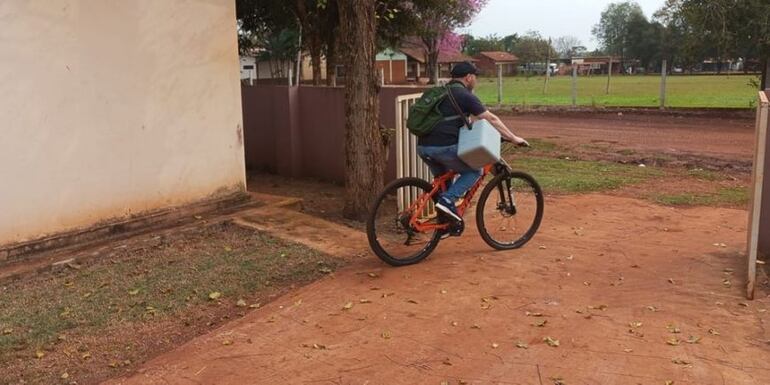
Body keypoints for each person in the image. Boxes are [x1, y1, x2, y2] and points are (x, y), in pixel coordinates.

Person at [416, 61, 528, 225]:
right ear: (468, 77)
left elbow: (470, 121)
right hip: (443, 147)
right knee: (475, 171)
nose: (476, 80)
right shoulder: (463, 95)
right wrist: (513, 137)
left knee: (444, 181)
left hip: (423, 147)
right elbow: (491, 118)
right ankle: (447, 202)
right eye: (475, 77)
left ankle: (444, 221)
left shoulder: (442, 92)